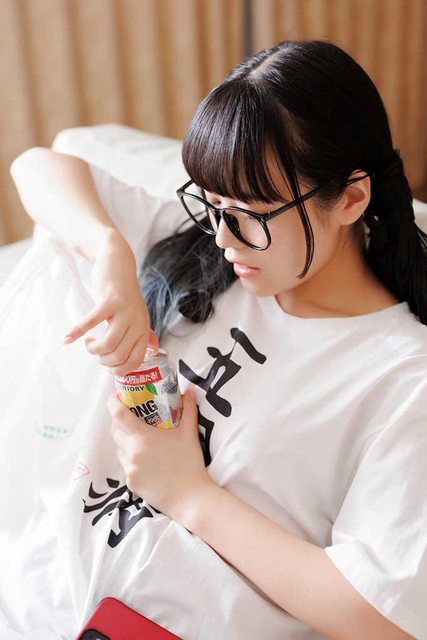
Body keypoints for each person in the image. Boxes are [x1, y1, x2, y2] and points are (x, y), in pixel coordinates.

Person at [3, 38, 427, 640]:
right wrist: (108, 251)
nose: (224, 236)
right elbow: (38, 165)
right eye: (211, 203)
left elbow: (383, 616)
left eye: (251, 214)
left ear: (352, 198)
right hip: (30, 596)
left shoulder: (402, 378)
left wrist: (189, 495)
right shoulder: (197, 248)